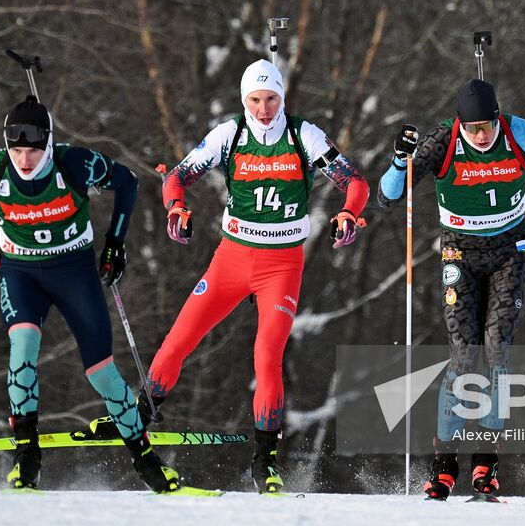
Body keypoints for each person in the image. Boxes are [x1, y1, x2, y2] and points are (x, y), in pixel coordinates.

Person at [142, 59, 370, 493]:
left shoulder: (303, 136)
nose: (264, 110)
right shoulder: (229, 135)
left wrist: (346, 213)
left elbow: (356, 183)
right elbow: (176, 177)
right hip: (232, 259)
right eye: (255, 100)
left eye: (271, 100)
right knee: (178, 341)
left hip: (282, 266)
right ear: (243, 100)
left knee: (267, 356)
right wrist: (176, 208)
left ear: (282, 98)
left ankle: (264, 462)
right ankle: (139, 420)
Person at [0, 95, 182, 492]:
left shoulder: (74, 163)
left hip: (74, 271)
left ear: (48, 143)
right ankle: (26, 459)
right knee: (23, 346)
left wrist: (115, 243)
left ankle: (146, 461)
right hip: (21, 272)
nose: (24, 160)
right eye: (17, 151)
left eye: (33, 150)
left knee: (102, 372)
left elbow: (127, 182)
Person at [376, 79, 525, 500]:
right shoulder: (443, 141)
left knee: (497, 352)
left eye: (487, 125)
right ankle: (444, 465)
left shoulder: (519, 133)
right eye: (473, 128)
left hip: (509, 253)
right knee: (464, 355)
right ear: (460, 123)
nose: (482, 135)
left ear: (497, 117)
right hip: (460, 254)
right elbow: (387, 197)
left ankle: (486, 462)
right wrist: (399, 160)